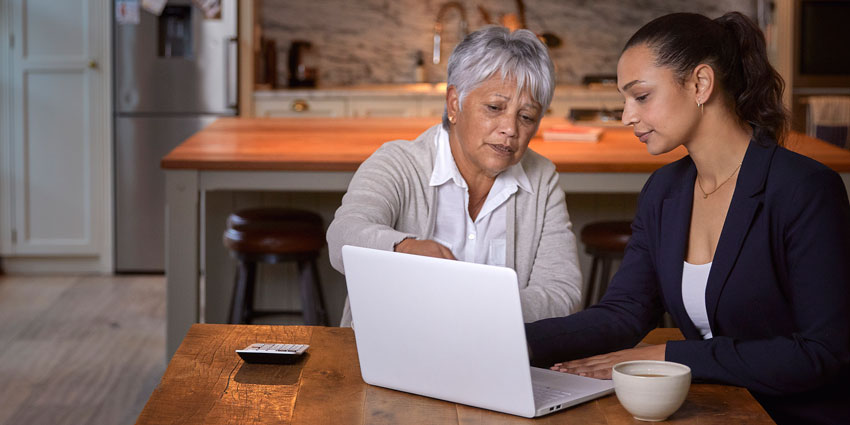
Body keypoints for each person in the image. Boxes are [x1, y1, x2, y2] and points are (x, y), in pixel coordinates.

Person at [525, 12, 850, 424]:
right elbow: (622, 313)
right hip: (714, 408)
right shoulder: (664, 191)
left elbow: (822, 351)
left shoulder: (805, 189)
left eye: (641, 96)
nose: (627, 116)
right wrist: (515, 340)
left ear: (700, 83)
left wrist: (669, 355)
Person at [327, 26, 583, 327]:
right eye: (494, 108)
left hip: (495, 360)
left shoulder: (542, 179)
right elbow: (343, 235)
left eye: (526, 117)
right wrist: (404, 249)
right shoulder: (398, 162)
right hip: (389, 356)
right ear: (454, 104)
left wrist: (475, 306)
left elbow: (563, 293)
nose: (511, 129)